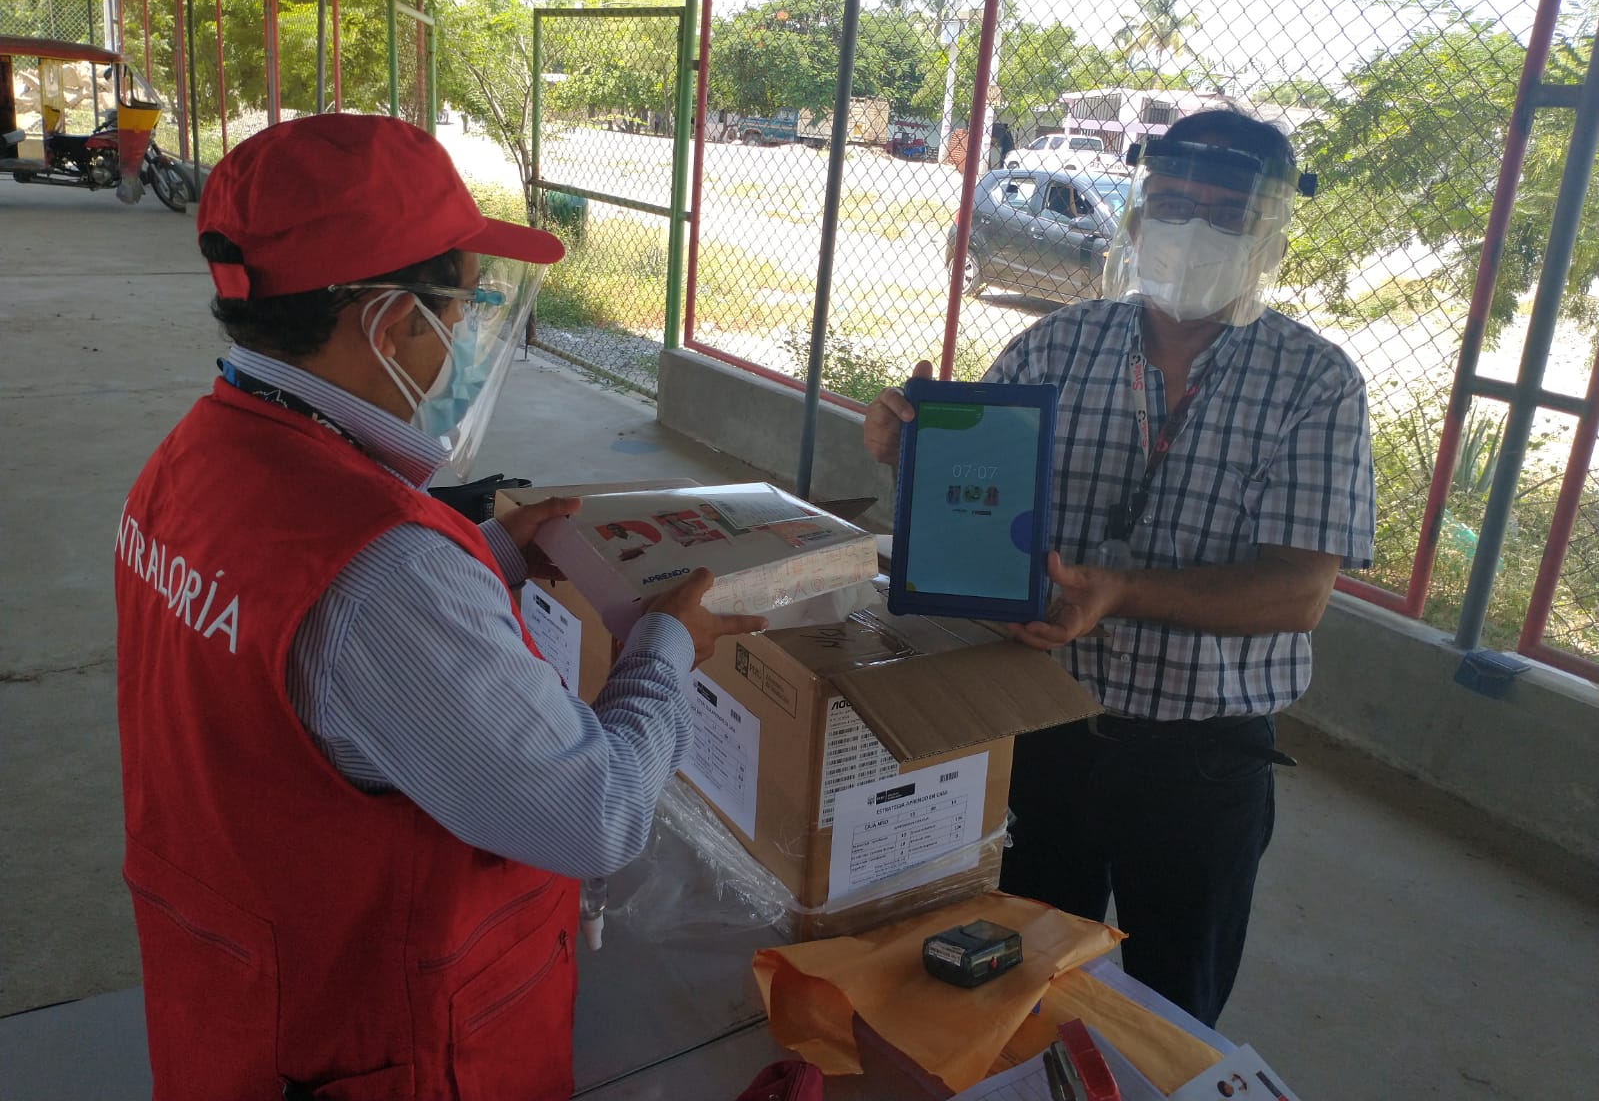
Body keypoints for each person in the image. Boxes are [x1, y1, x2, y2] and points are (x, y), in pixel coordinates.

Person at [113, 113, 766, 1100]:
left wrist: (490, 554)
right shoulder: (388, 571)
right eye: (458, 313)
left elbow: (296, 664)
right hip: (382, 1044)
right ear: (387, 322)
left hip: (240, 991)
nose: (463, 342)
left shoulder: (192, 462)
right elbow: (596, 814)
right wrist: (666, 647)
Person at [864, 109, 1374, 1026]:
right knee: (1015, 980)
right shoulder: (1056, 344)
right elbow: (978, 502)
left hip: (1200, 761)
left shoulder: (1315, 380)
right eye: (1172, 204)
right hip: (1041, 723)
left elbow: (1299, 591)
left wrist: (1123, 591)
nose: (1191, 231)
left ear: (1267, 235)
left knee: (1166, 1011)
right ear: (1135, 220)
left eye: (1225, 215)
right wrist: (913, 456)